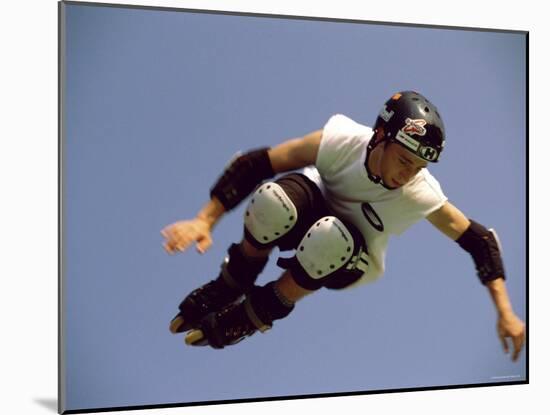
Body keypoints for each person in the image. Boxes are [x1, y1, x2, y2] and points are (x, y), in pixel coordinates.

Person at [161, 91, 526, 360]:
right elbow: (258, 163)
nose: (407, 174)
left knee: (330, 237)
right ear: (380, 136)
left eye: (418, 167)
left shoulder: (421, 192)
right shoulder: (342, 141)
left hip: (351, 257)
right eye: (403, 160)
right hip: (309, 211)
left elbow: (480, 241)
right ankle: (234, 280)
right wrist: (203, 219)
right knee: (273, 200)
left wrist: (505, 312)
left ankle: (260, 311)